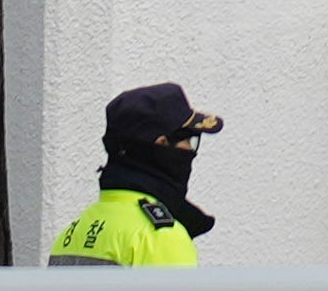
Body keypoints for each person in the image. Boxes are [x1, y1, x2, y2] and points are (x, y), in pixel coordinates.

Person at [48, 83, 223, 268]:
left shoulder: (72, 233)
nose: (190, 150)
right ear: (162, 145)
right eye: (188, 141)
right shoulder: (160, 237)